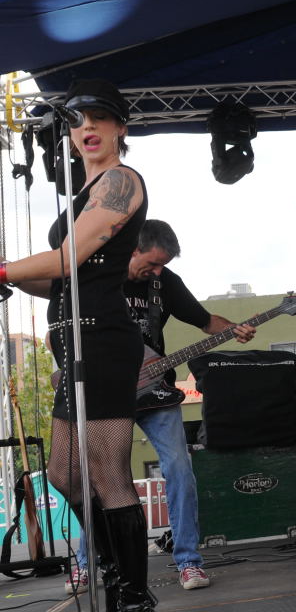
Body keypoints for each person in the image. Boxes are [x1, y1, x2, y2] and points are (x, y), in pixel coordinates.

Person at [0, 79, 156, 610]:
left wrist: (6, 269)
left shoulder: (121, 181)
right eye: (76, 120)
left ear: (120, 128)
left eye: (99, 117)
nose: (86, 127)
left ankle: (132, 594)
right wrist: (16, 277)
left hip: (103, 342)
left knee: (108, 473)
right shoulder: (84, 194)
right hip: (74, 343)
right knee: (65, 474)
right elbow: (62, 280)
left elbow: (66, 260)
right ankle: (112, 568)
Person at [68, 220, 255, 593]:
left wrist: (233, 328)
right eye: (152, 263)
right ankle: (88, 562)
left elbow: (205, 321)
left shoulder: (165, 283)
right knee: (100, 477)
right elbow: (60, 330)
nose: (157, 271)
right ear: (132, 249)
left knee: (180, 469)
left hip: (155, 392)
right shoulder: (98, 274)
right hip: (107, 393)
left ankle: (188, 562)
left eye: (163, 265)